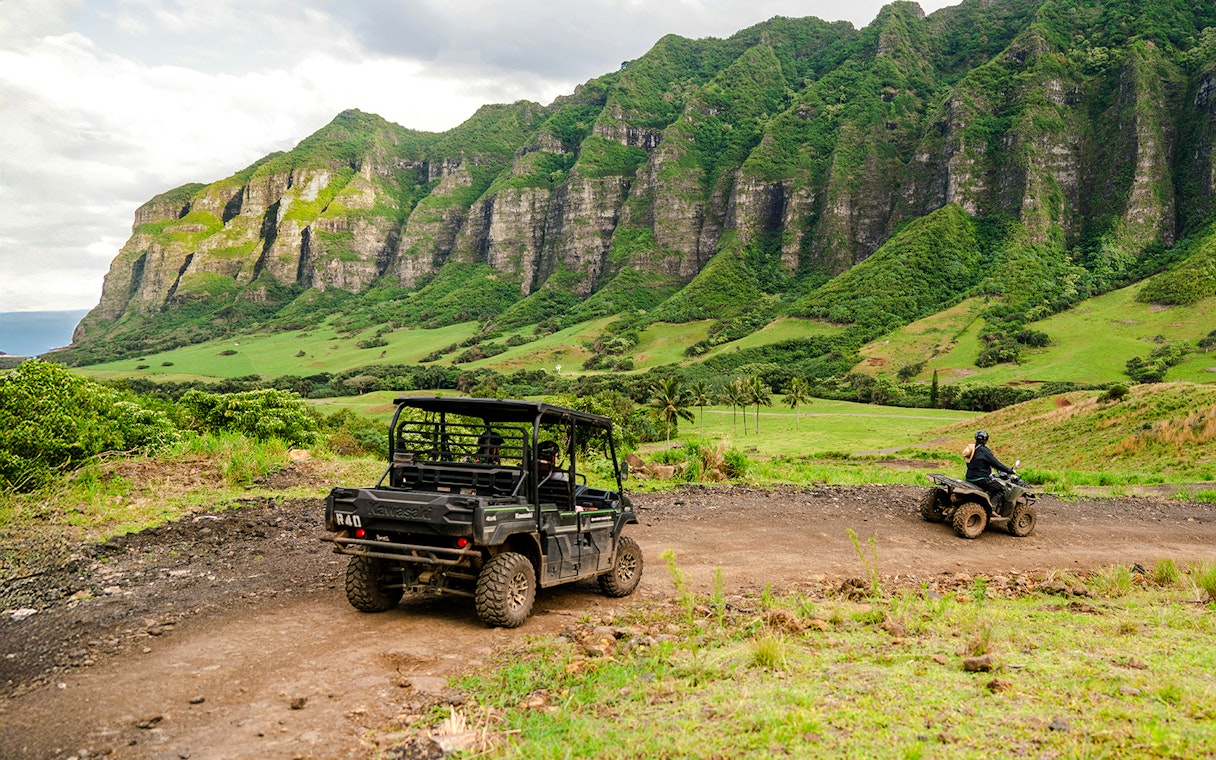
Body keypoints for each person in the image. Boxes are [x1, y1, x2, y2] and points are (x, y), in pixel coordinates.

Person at [965, 429, 1015, 504]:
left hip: (969, 477)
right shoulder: (984, 451)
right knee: (1001, 489)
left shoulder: (972, 449)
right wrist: (1009, 470)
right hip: (980, 479)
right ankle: (992, 508)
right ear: (985, 440)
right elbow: (996, 464)